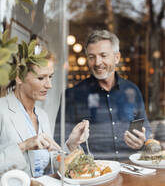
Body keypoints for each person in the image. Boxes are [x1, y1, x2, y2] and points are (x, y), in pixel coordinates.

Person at [55, 29, 152, 160]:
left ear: (117, 57)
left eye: (103, 55)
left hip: (131, 169)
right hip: (93, 174)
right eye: (91, 57)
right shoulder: (72, 95)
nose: (97, 62)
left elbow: (145, 127)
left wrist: (143, 141)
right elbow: (59, 141)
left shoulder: (132, 90)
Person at [0, 40, 89, 177]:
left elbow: (52, 163)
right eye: (41, 78)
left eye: (50, 77)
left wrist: (71, 145)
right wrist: (24, 146)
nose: (49, 85)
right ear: (19, 78)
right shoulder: (2, 110)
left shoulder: (42, 115)